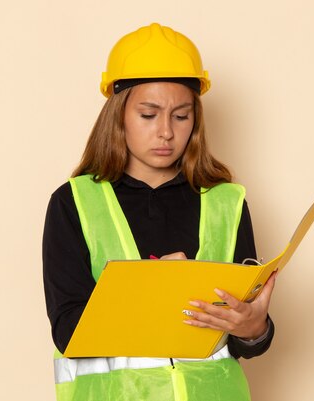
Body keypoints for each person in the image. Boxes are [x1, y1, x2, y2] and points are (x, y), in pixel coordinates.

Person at [43, 22, 276, 401]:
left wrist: (255, 330)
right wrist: (151, 289)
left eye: (181, 116)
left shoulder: (226, 203)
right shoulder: (73, 204)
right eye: (149, 115)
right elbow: (69, 330)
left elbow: (240, 341)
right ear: (118, 115)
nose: (166, 132)